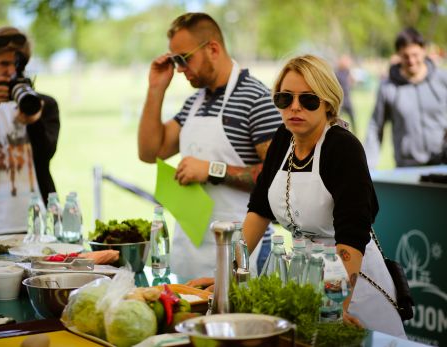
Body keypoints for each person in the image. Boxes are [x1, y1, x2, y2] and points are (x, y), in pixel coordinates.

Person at [243, 54, 406, 338]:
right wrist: (229, 272)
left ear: (328, 102)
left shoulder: (343, 148)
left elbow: (352, 236)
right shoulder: (283, 138)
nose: (294, 108)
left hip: (353, 287)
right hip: (305, 278)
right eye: (285, 99)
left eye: (308, 100)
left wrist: (336, 306)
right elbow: (258, 209)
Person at [138, 12, 282, 279]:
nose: (179, 69)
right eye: (174, 60)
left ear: (213, 49)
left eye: (184, 58)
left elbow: (278, 177)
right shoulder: (195, 102)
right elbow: (149, 151)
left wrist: (212, 170)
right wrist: (155, 89)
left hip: (243, 251)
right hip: (191, 251)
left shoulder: (257, 99)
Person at [0, 26, 60, 235]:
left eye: (15, 65)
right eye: (3, 64)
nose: (9, 71)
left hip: (43, 223)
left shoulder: (44, 104)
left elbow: (46, 154)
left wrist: (34, 121)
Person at [364, 27, 447, 168]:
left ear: (424, 50)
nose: (411, 60)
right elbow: (375, 127)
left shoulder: (443, 79)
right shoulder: (387, 88)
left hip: (443, 163)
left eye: (415, 55)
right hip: (407, 166)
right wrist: (368, 167)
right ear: (398, 55)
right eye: (405, 56)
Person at [335, 54, 356, 133]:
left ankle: (354, 132)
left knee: (353, 117)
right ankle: (338, 130)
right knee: (337, 118)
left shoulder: (347, 72)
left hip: (347, 99)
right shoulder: (337, 73)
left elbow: (352, 81)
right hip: (341, 100)